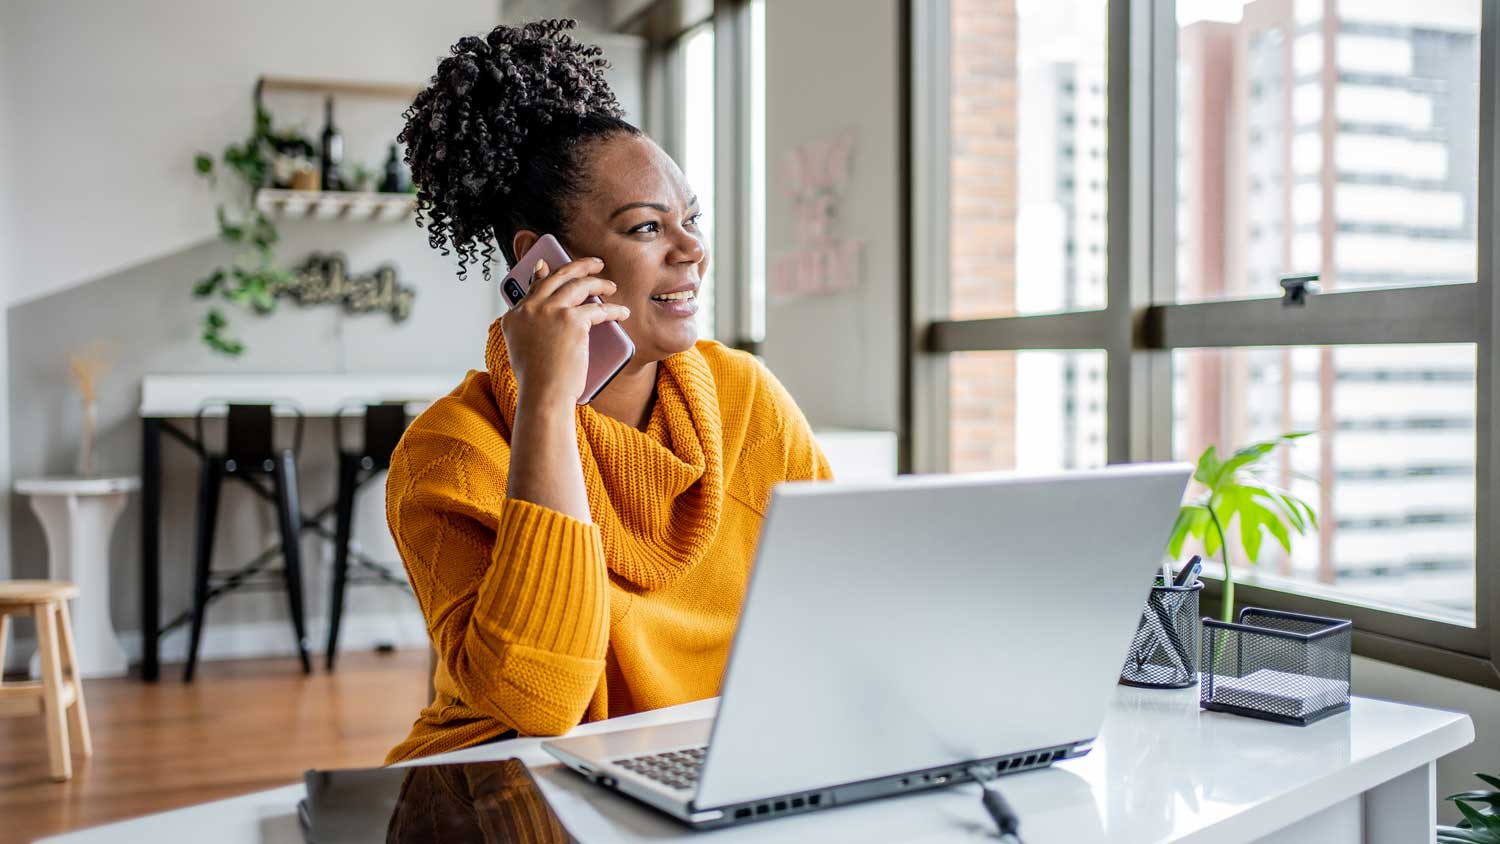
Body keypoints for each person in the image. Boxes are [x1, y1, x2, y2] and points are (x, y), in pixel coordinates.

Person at [384, 19, 832, 763]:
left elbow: (837, 606)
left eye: (691, 219)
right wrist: (547, 406)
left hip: (705, 766)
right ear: (544, 264)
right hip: (505, 784)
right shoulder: (446, 456)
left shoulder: (745, 398)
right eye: (648, 227)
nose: (691, 250)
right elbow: (538, 701)